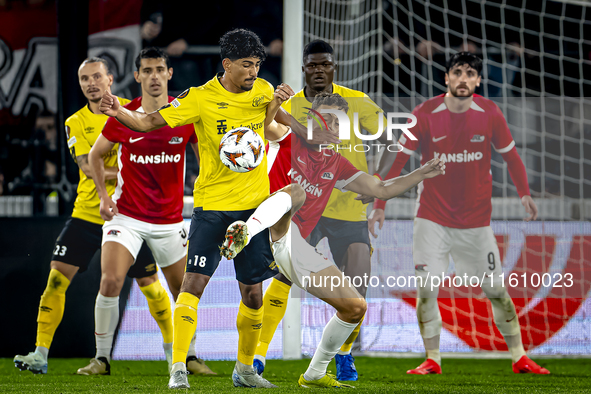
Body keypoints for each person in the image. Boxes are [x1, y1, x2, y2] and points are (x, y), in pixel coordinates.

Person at [98, 29, 333, 389]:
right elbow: (147, 123)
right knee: (192, 287)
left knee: (253, 293)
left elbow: (277, 123)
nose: (253, 71)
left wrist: (306, 132)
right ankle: (178, 368)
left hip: (253, 211)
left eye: (256, 64)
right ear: (227, 64)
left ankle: (244, 370)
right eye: (246, 65)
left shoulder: (263, 90)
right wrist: (117, 112)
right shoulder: (199, 98)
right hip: (211, 208)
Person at [221, 91, 445, 387]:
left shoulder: (337, 164)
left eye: (336, 121)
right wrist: (277, 103)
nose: (331, 125)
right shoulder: (289, 138)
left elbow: (382, 189)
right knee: (296, 193)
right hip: (266, 231)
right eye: (324, 118)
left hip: (294, 248)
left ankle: (314, 373)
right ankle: (245, 231)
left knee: (355, 306)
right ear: (311, 119)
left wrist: (420, 173)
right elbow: (269, 122)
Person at [368, 52, 549, 375]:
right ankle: (432, 359)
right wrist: (380, 203)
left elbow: (512, 157)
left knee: (497, 292)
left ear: (478, 81)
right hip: (432, 219)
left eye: (470, 73)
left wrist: (525, 193)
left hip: (477, 224)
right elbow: (397, 161)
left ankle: (519, 356)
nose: (463, 78)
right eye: (457, 72)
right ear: (447, 78)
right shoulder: (424, 113)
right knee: (427, 289)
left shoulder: (490, 112)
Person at [13, 57, 167, 375]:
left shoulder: (135, 111)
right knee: (55, 279)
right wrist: (130, 167)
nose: (91, 84)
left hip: (129, 214)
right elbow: (87, 166)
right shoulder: (76, 122)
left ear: (110, 79)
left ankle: (178, 356)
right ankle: (40, 355)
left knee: (151, 285)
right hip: (87, 211)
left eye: (97, 77)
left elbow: (155, 157)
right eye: (85, 79)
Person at [252, 39, 390, 381]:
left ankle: (344, 355)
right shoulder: (293, 105)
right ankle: (257, 356)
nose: (318, 70)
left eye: (324, 64)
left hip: (347, 208)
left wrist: (377, 185)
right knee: (283, 279)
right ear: (303, 68)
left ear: (334, 67)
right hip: (303, 210)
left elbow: (390, 139)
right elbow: (268, 130)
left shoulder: (356, 101)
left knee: (357, 283)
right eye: (312, 65)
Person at [77, 48, 215, 377]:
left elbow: (205, 157)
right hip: (127, 217)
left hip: (170, 221)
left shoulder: (182, 116)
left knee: (185, 288)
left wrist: (206, 186)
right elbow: (95, 157)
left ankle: (189, 356)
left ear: (169, 74)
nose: (154, 76)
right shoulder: (124, 114)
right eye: (147, 70)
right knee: (110, 280)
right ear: (137, 76)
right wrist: (102, 197)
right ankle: (101, 358)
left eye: (159, 70)